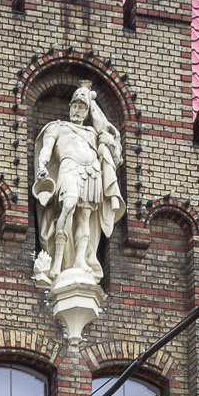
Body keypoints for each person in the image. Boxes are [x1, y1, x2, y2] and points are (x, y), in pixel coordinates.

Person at [32, 83, 124, 294]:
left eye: (82, 107)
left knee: (84, 217)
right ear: (69, 107)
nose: (77, 110)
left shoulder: (92, 132)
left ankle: (81, 261)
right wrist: (41, 167)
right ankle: (57, 262)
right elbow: (45, 150)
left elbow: (111, 146)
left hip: (91, 172)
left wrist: (93, 103)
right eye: (74, 105)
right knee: (69, 206)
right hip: (69, 168)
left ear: (86, 110)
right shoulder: (57, 127)